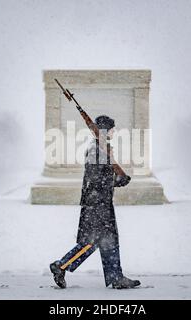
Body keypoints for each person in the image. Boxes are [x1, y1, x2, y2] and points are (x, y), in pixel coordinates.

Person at [49, 115, 141, 289]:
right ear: (104, 131)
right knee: (91, 242)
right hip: (96, 204)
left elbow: (102, 176)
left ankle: (116, 277)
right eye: (112, 129)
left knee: (109, 240)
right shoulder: (95, 150)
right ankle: (61, 266)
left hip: (102, 202)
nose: (114, 132)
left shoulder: (102, 148)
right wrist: (115, 181)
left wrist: (116, 179)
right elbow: (94, 178)